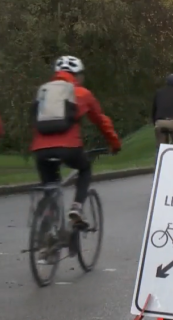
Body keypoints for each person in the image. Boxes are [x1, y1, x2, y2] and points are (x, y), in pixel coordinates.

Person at [30, 55, 122, 224]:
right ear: (77, 74)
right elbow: (101, 121)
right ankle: (77, 207)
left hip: (40, 149)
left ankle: (48, 221)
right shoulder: (82, 93)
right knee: (85, 169)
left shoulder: (43, 91)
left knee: (51, 184)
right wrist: (114, 144)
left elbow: (35, 119)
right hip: (69, 147)